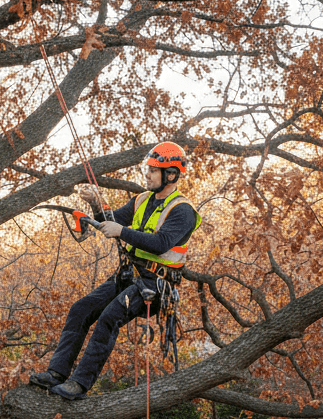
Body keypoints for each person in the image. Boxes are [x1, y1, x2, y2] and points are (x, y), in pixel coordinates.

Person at [29, 141, 202, 400]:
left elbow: (160, 243)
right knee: (81, 309)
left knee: (109, 317)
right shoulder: (143, 199)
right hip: (130, 275)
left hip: (156, 284)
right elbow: (112, 222)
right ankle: (56, 373)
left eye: (153, 170)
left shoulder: (182, 210)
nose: (147, 174)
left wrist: (122, 232)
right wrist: (97, 206)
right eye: (148, 168)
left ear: (171, 174)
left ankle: (79, 385)